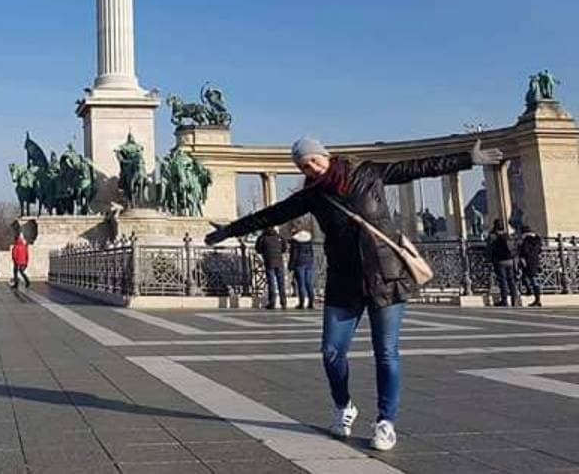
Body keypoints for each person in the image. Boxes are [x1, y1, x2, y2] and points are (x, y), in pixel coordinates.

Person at [205, 136, 502, 452]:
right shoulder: (313, 195)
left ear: (326, 156)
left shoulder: (369, 172)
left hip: (385, 276)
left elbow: (419, 167)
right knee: (331, 351)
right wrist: (228, 230)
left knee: (386, 352)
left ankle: (386, 422)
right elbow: (270, 215)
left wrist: (467, 159)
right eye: (304, 165)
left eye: (313, 160)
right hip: (343, 281)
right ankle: (343, 406)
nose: (311, 167)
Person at [488, 219, 521, 307]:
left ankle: (504, 300)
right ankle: (514, 300)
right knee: (511, 280)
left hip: (500, 260)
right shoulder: (507, 235)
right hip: (510, 260)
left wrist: (490, 259)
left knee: (503, 281)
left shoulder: (493, 235)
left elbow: (490, 248)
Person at [255, 226, 288, 309]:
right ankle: (283, 302)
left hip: (269, 261)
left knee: (271, 282)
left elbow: (258, 249)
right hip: (279, 262)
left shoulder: (262, 238)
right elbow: (284, 248)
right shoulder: (279, 237)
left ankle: (272, 301)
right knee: (281, 283)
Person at [288, 226, 316, 310]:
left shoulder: (295, 241)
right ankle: (311, 302)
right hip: (309, 263)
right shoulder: (308, 239)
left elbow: (294, 254)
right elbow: (311, 252)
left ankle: (302, 302)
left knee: (301, 283)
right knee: (309, 283)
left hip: (299, 263)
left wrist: (291, 266)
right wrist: (311, 260)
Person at [518, 225, 543, 307]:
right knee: (533, 279)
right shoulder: (537, 239)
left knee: (530, 279)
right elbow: (539, 250)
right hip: (535, 261)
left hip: (527, 262)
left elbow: (524, 251)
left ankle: (535, 296)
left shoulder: (526, 240)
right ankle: (536, 297)